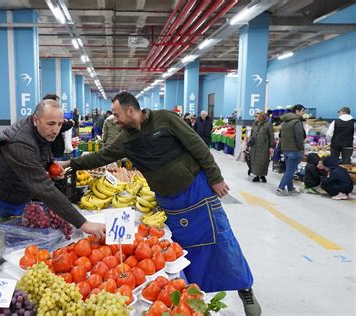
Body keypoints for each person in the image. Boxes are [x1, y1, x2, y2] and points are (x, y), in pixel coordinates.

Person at [59, 92, 261, 316]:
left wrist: (215, 177)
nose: (114, 119)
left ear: (130, 110)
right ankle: (192, 297)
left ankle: (245, 289)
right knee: (183, 253)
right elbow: (101, 157)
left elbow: (197, 146)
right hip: (169, 203)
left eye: (117, 114)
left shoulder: (165, 119)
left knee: (222, 241)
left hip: (198, 191)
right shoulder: (126, 139)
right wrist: (70, 163)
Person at [0, 99, 105, 239]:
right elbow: (43, 188)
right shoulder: (19, 142)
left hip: (18, 198)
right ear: (36, 120)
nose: (55, 130)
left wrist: (50, 165)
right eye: (51, 124)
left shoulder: (38, 129)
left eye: (59, 124)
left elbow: (41, 151)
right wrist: (84, 223)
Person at [277, 104, 306, 196]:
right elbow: (299, 137)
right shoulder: (297, 122)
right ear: (297, 111)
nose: (303, 113)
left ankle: (290, 189)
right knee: (291, 171)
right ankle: (280, 188)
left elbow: (280, 135)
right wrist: (301, 148)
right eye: (302, 111)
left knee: (289, 170)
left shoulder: (285, 122)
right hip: (294, 150)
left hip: (285, 149)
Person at [249, 112, 274, 183]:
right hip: (254, 146)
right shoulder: (254, 123)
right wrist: (249, 144)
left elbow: (271, 136)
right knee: (255, 161)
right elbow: (251, 134)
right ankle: (256, 175)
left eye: (257, 116)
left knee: (263, 161)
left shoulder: (268, 124)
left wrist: (271, 146)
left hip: (264, 146)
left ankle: (262, 175)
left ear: (261, 116)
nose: (255, 117)